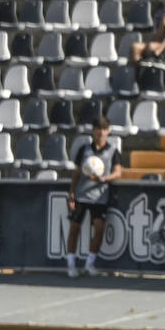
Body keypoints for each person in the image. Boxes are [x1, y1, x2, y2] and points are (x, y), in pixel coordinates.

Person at [66, 116, 123, 278]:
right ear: (93, 130)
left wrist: (104, 179)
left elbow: (118, 172)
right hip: (82, 195)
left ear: (109, 131)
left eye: (104, 129)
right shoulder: (84, 150)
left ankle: (89, 263)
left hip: (100, 197)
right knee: (74, 228)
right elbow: (77, 173)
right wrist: (72, 192)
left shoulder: (113, 151)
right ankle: (71, 264)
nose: (101, 132)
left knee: (99, 229)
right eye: (98, 128)